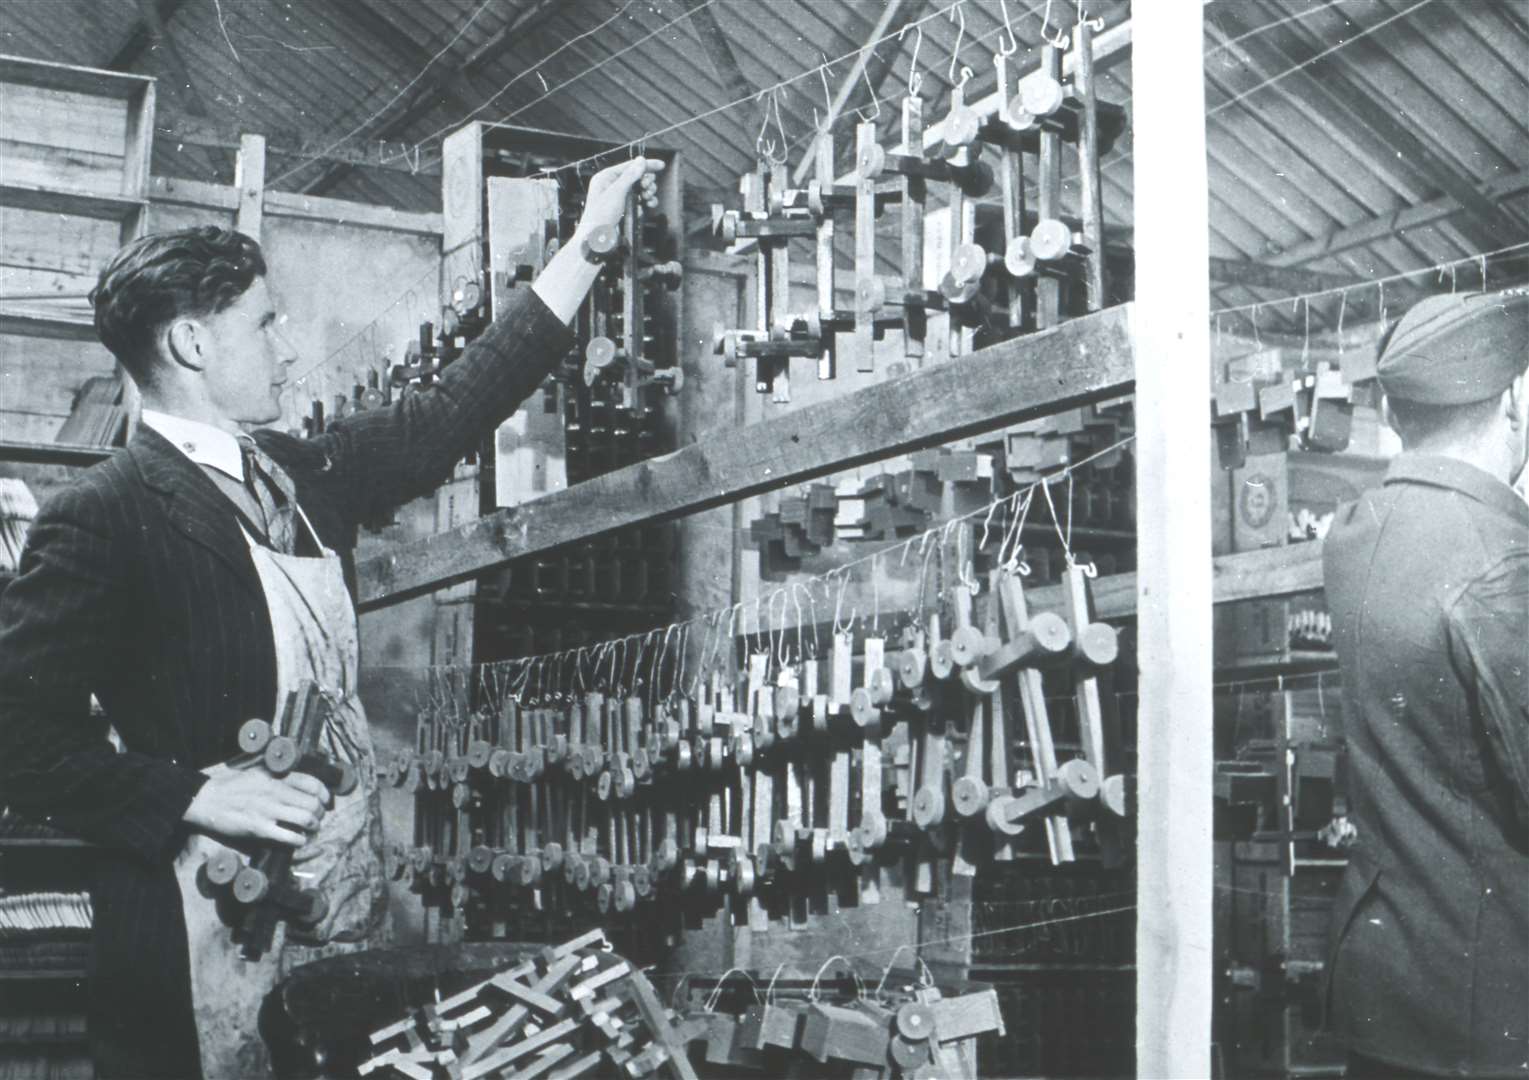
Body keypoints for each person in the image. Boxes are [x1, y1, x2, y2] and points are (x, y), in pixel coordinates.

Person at [0, 156, 659, 1079]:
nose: (288, 348)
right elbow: (19, 735)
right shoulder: (104, 511)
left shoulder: (300, 476)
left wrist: (587, 246)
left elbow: (452, 408)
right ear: (192, 343)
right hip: (193, 914)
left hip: (333, 895)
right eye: (266, 325)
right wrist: (191, 794)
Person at [1322, 289, 1528, 1079]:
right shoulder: (1500, 562)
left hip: (1390, 983)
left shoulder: (1356, 532)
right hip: (1492, 1006)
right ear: (1514, 398)